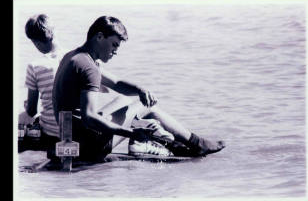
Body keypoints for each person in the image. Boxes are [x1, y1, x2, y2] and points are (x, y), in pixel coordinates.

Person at [52, 16, 225, 162]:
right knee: (147, 107)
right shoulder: (88, 67)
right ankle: (196, 143)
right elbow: (89, 117)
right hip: (90, 147)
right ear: (99, 37)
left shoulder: (75, 57)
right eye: (114, 45)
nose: (115, 52)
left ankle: (174, 144)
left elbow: (117, 83)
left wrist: (141, 89)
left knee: (126, 99)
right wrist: (131, 133)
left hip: (73, 136)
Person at [19, 14, 65, 156]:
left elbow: (32, 111)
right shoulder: (79, 58)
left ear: (36, 43)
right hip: (78, 131)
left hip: (51, 133)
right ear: (54, 32)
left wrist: (27, 107)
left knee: (22, 118)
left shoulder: (35, 66)